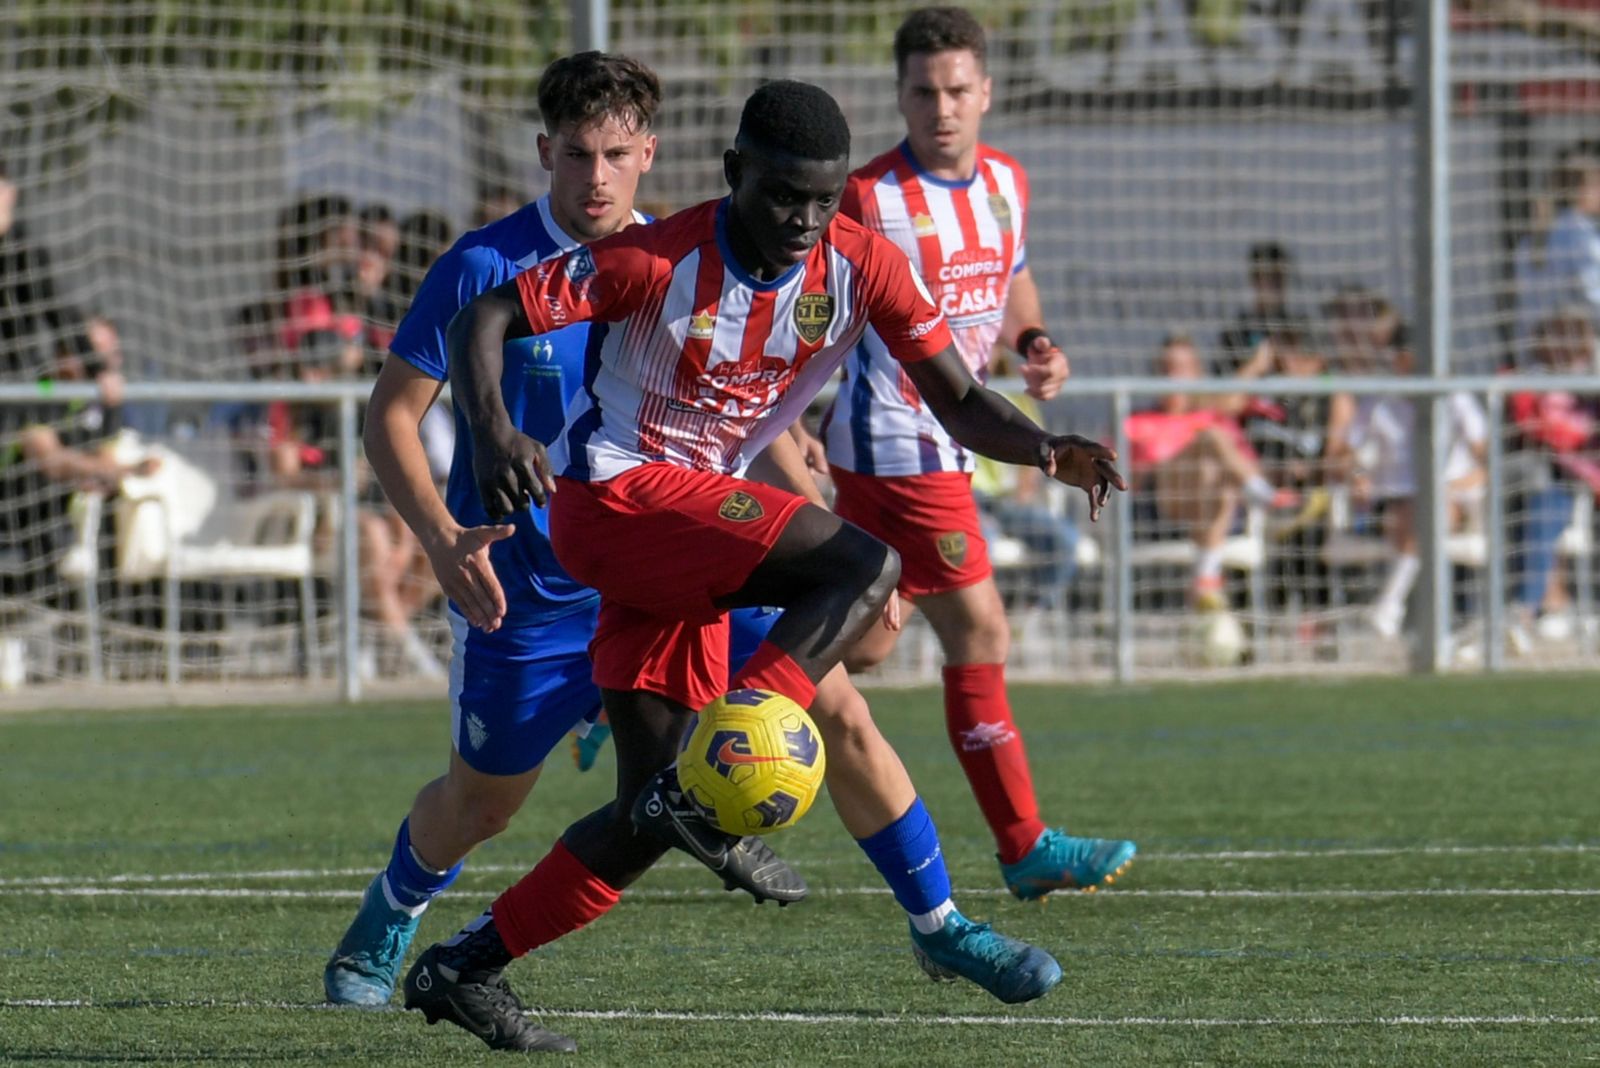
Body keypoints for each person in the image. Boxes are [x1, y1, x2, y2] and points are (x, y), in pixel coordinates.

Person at [406, 78, 1124, 1049]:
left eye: (822, 199)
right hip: (615, 503)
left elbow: (956, 394)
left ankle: (464, 966)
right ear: (735, 173)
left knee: (654, 814)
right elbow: (481, 318)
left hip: (679, 539)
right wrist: (491, 435)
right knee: (864, 569)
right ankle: (758, 739)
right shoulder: (654, 259)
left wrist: (1044, 447)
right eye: (783, 194)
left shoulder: (861, 266)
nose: (802, 219)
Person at [816, 7, 1136, 896]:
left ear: (986, 92)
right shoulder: (869, 197)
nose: (942, 108)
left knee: (869, 645)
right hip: (897, 440)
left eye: (958, 90)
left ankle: (684, 665)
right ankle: (1024, 844)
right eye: (924, 92)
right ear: (901, 96)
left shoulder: (1005, 182)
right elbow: (820, 313)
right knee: (980, 627)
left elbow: (1012, 277)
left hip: (955, 444)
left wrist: (1035, 339)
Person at [1125, 333, 1295, 611]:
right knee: (1210, 439)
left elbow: (1244, 460)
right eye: (1167, 368)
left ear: (1197, 373)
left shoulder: (1212, 416)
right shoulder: (1138, 420)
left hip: (1215, 504)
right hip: (1163, 507)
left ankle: (1206, 578)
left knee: (1221, 475)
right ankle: (1262, 495)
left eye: (1182, 369)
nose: (1173, 377)